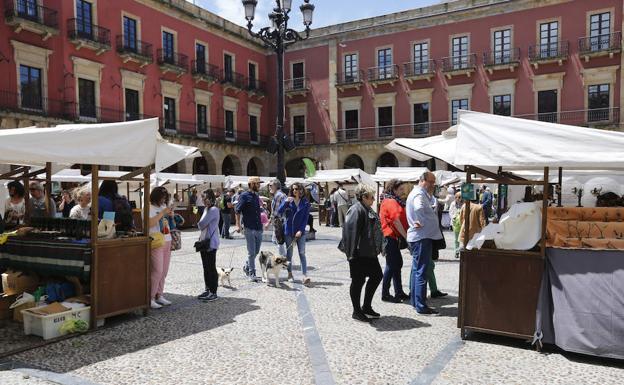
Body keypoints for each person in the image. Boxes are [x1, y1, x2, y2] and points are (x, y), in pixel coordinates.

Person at [342, 184, 384, 323]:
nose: (373, 199)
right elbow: (350, 233)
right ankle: (357, 311)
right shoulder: (356, 210)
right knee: (358, 281)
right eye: (371, 197)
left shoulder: (366, 209)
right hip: (358, 253)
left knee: (377, 276)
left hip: (368, 252)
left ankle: (366, 306)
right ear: (363, 197)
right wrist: (351, 255)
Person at [406, 171, 443, 315]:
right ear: (423, 181)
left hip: (420, 236)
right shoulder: (419, 194)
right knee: (421, 271)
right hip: (421, 237)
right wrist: (420, 220)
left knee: (417, 270)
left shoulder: (419, 193)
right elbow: (419, 207)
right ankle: (421, 305)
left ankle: (416, 302)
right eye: (431, 182)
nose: (433, 185)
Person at [379, 179, 410, 303]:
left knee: (396, 264)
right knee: (392, 265)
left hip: (392, 237)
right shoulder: (391, 201)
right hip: (390, 237)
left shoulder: (390, 200)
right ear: (394, 189)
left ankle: (399, 291)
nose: (403, 192)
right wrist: (406, 237)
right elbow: (396, 221)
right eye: (401, 189)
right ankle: (385, 293)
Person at [278, 182, 311, 284]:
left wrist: (301, 230)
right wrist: (285, 202)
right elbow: (279, 211)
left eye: (296, 189)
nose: (294, 191)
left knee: (302, 253)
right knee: (289, 254)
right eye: (293, 189)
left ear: (301, 190)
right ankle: (289, 274)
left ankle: (305, 276)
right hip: (289, 231)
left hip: (300, 231)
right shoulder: (288, 201)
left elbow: (305, 219)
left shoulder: (305, 203)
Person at [149, 187, 173, 309]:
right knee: (157, 270)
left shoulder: (163, 207)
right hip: (156, 241)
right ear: (156, 196)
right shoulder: (148, 208)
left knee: (164, 271)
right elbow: (149, 224)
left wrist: (171, 215)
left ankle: (160, 295)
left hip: (167, 239)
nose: (164, 199)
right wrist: (163, 213)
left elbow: (170, 223)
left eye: (165, 197)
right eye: (162, 197)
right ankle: (151, 297)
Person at [235, 176, 263, 282]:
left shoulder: (256, 196)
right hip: (249, 228)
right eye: (257, 183)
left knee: (256, 251)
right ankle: (252, 273)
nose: (259, 185)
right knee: (251, 252)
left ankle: (247, 266)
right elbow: (237, 210)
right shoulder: (244, 196)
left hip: (258, 227)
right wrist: (238, 224)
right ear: (251, 184)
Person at [197, 189, 220, 301]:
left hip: (211, 242)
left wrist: (201, 223)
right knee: (206, 267)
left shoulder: (214, 210)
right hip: (204, 242)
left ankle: (213, 292)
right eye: (202, 198)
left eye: (205, 197)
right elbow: (201, 224)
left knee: (211, 267)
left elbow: (201, 224)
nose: (203, 200)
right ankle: (208, 289)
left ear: (211, 198)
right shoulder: (207, 209)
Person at [428, 195, 448, 299]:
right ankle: (414, 291)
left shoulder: (433, 200)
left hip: (432, 236)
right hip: (425, 237)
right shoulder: (420, 199)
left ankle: (434, 289)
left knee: (429, 265)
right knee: (424, 266)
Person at [269, 180, 287, 256]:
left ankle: (284, 258)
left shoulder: (279, 195)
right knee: (275, 240)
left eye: (271, 185)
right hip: (278, 221)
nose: (269, 187)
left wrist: (270, 221)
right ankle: (285, 256)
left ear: (276, 186)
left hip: (279, 221)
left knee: (279, 241)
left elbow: (276, 211)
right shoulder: (279, 195)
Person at [448, 192, 463, 258]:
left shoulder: (464, 204)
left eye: (460, 197)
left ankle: (463, 251)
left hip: (462, 223)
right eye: (457, 197)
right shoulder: (453, 204)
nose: (458, 199)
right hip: (455, 223)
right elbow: (450, 212)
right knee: (456, 239)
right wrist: (453, 217)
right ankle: (457, 252)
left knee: (463, 238)